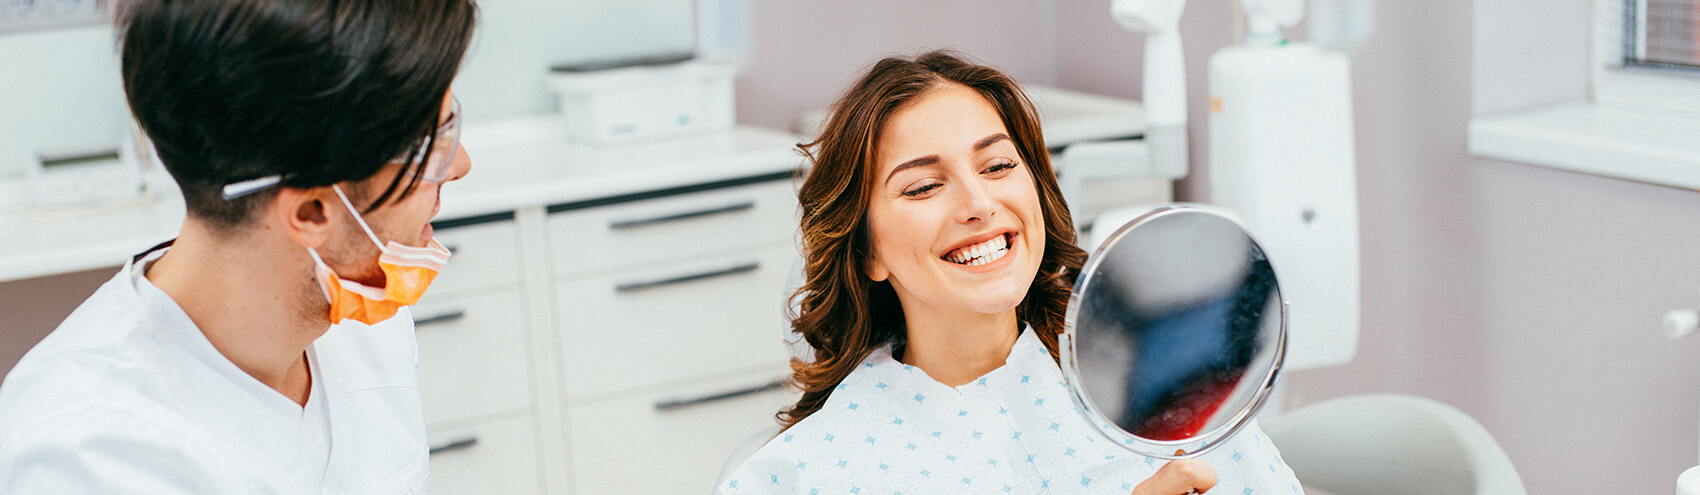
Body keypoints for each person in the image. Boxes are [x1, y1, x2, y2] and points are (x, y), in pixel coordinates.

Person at [721, 51, 1302, 494]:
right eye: (924, 186)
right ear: (868, 251)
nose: (977, 202)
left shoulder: (1169, 409)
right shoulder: (803, 473)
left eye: (998, 165)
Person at [0, 0, 476, 492]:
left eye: (450, 121)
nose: (460, 163)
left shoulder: (361, 317)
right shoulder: (89, 455)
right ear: (312, 212)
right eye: (431, 145)